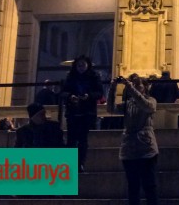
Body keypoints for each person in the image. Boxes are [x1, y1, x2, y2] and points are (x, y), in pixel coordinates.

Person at [108, 74, 159, 205]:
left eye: (138, 84)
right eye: (133, 84)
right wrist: (113, 88)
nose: (134, 86)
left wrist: (130, 88)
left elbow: (146, 106)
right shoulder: (127, 104)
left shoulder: (151, 100)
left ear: (146, 87)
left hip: (146, 148)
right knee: (133, 187)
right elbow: (110, 109)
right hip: (129, 149)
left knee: (149, 186)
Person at [62, 55, 103, 171]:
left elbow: (99, 93)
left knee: (82, 139)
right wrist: (71, 97)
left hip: (86, 112)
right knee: (71, 139)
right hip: (73, 112)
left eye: (83, 65)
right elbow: (63, 92)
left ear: (87, 65)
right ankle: (70, 164)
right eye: (79, 65)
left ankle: (80, 163)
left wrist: (88, 96)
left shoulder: (94, 77)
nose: (81, 68)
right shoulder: (70, 77)